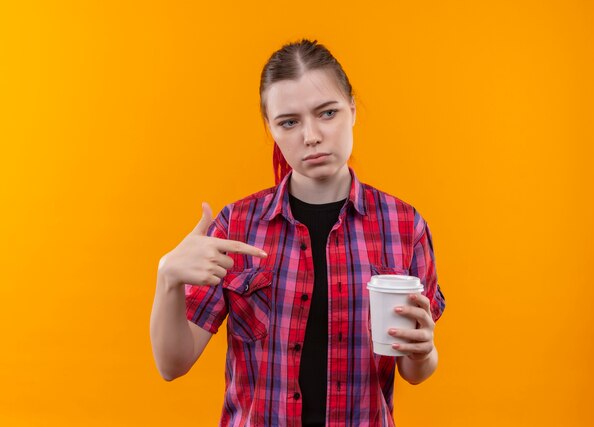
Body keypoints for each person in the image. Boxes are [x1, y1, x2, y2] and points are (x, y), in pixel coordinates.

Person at [150, 39, 446, 427]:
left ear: (352, 110)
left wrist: (424, 353)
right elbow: (172, 364)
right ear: (270, 128)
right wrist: (167, 278)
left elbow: (414, 371)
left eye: (327, 113)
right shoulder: (236, 226)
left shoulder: (403, 225)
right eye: (289, 121)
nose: (311, 136)